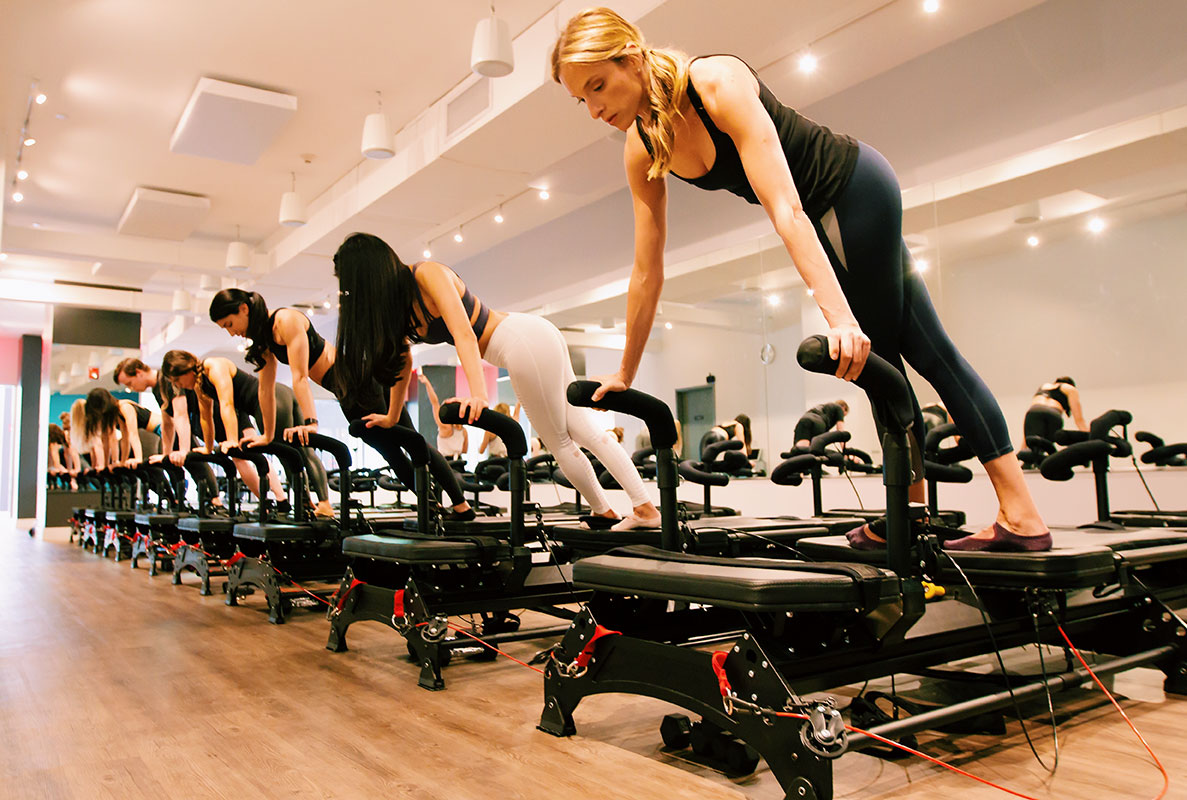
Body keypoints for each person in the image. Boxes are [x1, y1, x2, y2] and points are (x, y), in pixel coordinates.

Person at [551, 9, 1050, 552]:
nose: (595, 109)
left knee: (881, 360)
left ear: (632, 58)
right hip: (833, 212)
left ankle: (925, 514)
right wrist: (624, 371)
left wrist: (839, 317)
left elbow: (785, 207)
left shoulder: (717, 82)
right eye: (582, 100)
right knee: (928, 353)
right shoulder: (643, 145)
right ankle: (993, 513)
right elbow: (647, 270)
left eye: (598, 86)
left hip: (849, 191)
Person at [331, 232, 660, 531]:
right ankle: (636, 509)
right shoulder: (399, 307)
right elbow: (403, 361)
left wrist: (478, 395)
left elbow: (463, 333)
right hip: (529, 340)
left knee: (561, 440)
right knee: (582, 428)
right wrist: (391, 416)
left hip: (521, 341)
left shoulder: (426, 275)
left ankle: (614, 511)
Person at [207, 289, 474, 521]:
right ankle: (443, 507)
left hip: (359, 385)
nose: (232, 332)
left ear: (244, 309)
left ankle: (451, 506)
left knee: (407, 446)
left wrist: (310, 422)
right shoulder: (265, 341)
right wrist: (266, 434)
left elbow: (300, 377)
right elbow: (265, 390)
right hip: (351, 392)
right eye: (225, 329)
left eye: (230, 323)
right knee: (401, 449)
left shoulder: (285, 320)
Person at [160, 350, 289, 509]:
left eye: (177, 380)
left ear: (187, 369)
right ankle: (268, 503)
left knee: (266, 453)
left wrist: (232, 440)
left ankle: (284, 499)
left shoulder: (213, 366)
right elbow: (205, 417)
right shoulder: (199, 384)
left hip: (262, 402)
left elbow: (226, 404)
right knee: (242, 459)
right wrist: (207, 448)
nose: (178, 385)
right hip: (241, 410)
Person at [114, 357, 222, 505]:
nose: (131, 388)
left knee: (194, 461)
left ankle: (215, 501)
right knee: (171, 462)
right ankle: (179, 501)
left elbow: (180, 416)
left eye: (129, 383)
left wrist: (184, 450)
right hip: (181, 427)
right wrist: (166, 454)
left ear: (138, 373)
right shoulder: (157, 387)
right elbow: (167, 422)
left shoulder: (165, 379)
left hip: (210, 418)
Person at [69, 388, 155, 469]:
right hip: (154, 433)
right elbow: (125, 438)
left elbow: (133, 434)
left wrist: (138, 458)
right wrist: (122, 462)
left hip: (158, 430)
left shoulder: (125, 407)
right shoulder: (118, 412)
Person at [418, 374, 468, 460]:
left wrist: (427, 383)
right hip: (459, 463)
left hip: (446, 463)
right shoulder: (464, 431)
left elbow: (434, 402)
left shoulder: (444, 427)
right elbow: (464, 450)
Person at [1024, 377, 1087, 444]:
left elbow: (1028, 431)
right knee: (1048, 446)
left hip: (1034, 411)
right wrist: (1091, 439)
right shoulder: (1071, 389)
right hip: (1053, 413)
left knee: (1032, 444)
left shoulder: (1044, 386)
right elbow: (1079, 420)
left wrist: (1023, 448)